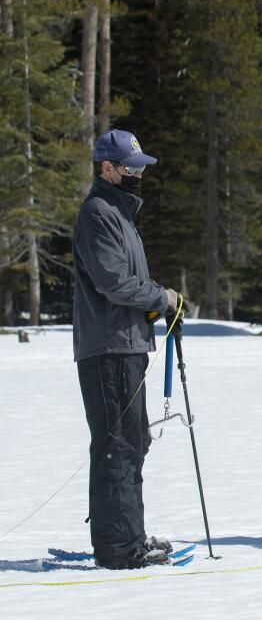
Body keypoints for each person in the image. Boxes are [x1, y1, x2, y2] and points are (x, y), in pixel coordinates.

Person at [73, 129, 187, 569]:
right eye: (131, 167)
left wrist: (161, 309)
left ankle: (127, 535)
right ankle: (119, 548)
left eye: (141, 167)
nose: (139, 174)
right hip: (108, 350)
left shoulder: (120, 217)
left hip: (127, 345)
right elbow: (114, 283)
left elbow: (124, 289)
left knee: (133, 441)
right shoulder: (98, 214)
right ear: (107, 168)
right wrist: (162, 298)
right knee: (117, 444)